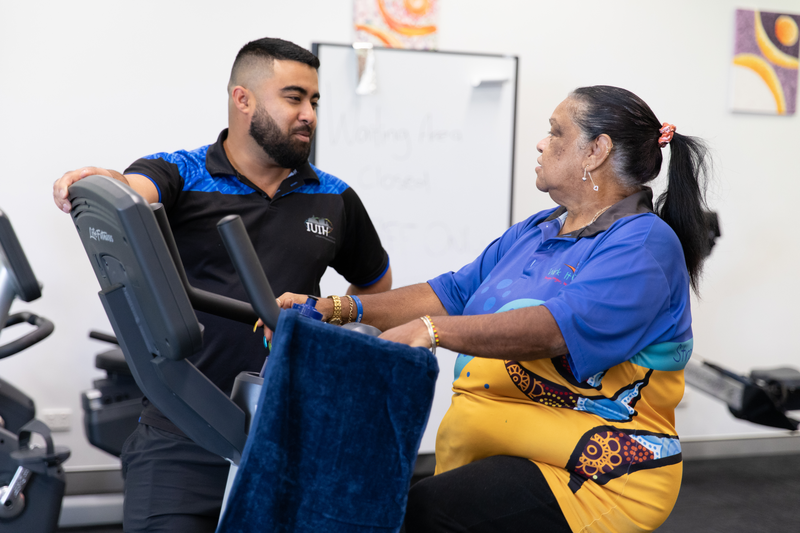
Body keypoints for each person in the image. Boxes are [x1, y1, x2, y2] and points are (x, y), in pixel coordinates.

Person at [275, 85, 711, 532]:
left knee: (429, 512)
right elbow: (451, 293)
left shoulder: (643, 243)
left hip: (594, 476)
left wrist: (432, 330)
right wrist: (334, 307)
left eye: (555, 132)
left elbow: (553, 329)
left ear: (595, 151)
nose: (542, 143)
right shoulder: (536, 230)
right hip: (509, 454)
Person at [53, 37, 392, 533]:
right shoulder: (183, 174)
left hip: (287, 433)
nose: (309, 115)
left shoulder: (334, 198)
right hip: (180, 432)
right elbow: (131, 190)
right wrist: (100, 179)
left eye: (315, 101)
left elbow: (377, 291)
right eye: (294, 97)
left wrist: (327, 329)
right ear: (243, 99)